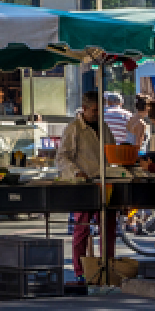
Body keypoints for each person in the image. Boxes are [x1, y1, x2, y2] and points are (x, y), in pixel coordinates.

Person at [59, 90, 114, 268]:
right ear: (85, 109)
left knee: (108, 228)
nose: (98, 114)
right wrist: (75, 172)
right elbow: (62, 157)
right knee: (82, 229)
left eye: (101, 110)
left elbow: (112, 151)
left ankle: (108, 267)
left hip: (104, 183)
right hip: (83, 185)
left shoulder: (104, 127)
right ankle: (79, 270)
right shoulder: (73, 128)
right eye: (95, 110)